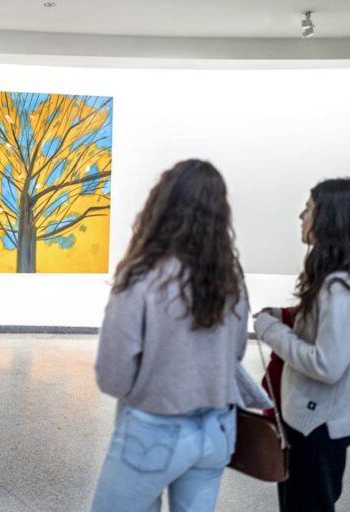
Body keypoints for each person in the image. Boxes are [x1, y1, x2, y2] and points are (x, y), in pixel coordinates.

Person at [91, 159, 249, 512]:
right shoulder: (232, 280)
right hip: (218, 431)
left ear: (160, 206)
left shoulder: (142, 276)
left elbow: (112, 377)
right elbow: (236, 353)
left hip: (154, 432)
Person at [254, 178, 350, 512]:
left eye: (309, 209)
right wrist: (288, 317)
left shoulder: (340, 288)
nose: (301, 216)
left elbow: (327, 365)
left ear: (332, 218)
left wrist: (270, 329)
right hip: (317, 422)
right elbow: (326, 331)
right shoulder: (340, 280)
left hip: (317, 427)